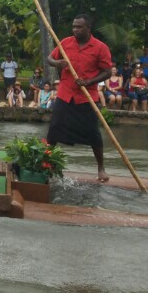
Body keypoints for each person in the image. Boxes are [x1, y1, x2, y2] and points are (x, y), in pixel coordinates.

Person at [45, 14, 113, 182]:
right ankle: (45, 163)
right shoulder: (66, 42)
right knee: (54, 130)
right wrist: (57, 63)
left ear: (88, 28)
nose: (75, 30)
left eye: (79, 27)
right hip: (65, 94)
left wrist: (89, 81)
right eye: (74, 26)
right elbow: (50, 58)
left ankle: (101, 168)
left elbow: (107, 72)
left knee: (93, 132)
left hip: (86, 96)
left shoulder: (100, 47)